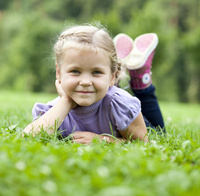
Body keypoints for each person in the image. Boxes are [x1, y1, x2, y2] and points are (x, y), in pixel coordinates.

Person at [23, 24, 165, 144]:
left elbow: (142, 142)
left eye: (96, 72)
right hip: (106, 90)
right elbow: (29, 139)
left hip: (129, 119)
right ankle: (113, 72)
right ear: (59, 73)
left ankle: (141, 79)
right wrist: (66, 101)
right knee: (101, 87)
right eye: (75, 71)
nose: (85, 82)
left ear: (111, 77)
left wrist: (102, 140)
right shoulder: (55, 109)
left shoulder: (119, 103)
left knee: (158, 132)